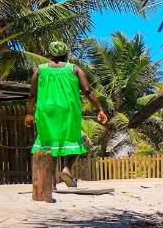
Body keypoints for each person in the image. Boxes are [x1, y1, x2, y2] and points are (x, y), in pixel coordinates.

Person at [25, 41, 107, 188]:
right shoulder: (74, 69)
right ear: (66, 54)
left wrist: (29, 113)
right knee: (75, 139)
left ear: (50, 54)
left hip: (46, 111)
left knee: (48, 143)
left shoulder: (40, 70)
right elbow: (88, 91)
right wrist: (100, 109)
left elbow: (32, 94)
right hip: (68, 110)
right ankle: (67, 169)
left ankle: (50, 181)